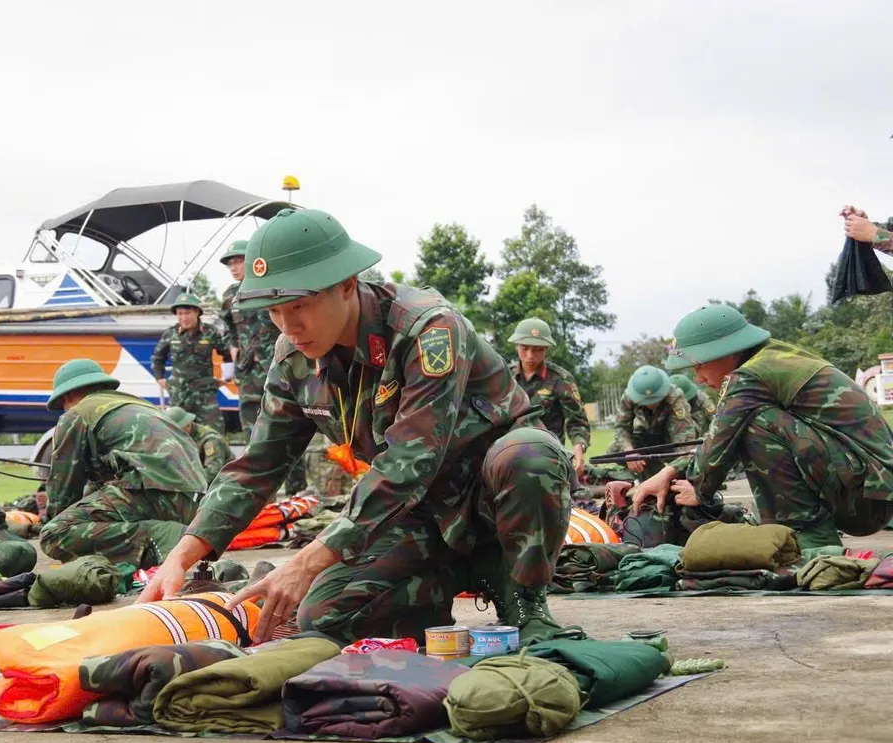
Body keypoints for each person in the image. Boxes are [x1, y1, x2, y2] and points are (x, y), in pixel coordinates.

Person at [139, 208, 576, 646]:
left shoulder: (426, 328)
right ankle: (448, 582)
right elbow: (258, 466)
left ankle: (524, 599)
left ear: (346, 285)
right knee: (321, 618)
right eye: (273, 311)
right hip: (416, 515)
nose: (289, 327)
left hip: (489, 500)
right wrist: (184, 551)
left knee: (529, 454)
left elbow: (410, 460)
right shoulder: (293, 358)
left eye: (299, 305)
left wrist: (309, 560)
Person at [633, 304, 893, 549]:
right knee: (751, 423)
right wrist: (671, 471)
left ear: (726, 350)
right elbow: (721, 437)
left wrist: (698, 487)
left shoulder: (750, 375)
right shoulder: (770, 358)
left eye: (699, 364)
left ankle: (809, 541)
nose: (698, 378)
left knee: (758, 424)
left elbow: (720, 442)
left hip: (867, 496)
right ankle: (797, 533)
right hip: (872, 490)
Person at [38, 359, 207, 569]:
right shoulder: (138, 405)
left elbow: (64, 490)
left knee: (54, 534)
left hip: (155, 494)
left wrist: (50, 518)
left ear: (68, 395)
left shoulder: (78, 413)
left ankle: (165, 538)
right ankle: (171, 537)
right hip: (196, 503)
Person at [221, 239, 309, 492]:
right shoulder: (230, 295)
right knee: (253, 437)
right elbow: (227, 324)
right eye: (230, 264)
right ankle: (259, 497)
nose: (234, 267)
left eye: (238, 261)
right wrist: (233, 346)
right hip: (248, 373)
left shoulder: (274, 286)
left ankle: (297, 492)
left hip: (279, 367)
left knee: (290, 430)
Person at [507, 317, 591, 474]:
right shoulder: (504, 377)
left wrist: (579, 448)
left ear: (546, 348)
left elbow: (577, 422)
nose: (530, 355)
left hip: (548, 458)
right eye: (524, 348)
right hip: (509, 456)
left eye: (537, 349)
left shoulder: (561, 379)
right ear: (516, 346)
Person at [151, 292, 233, 434]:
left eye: (187, 313)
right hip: (179, 393)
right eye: (180, 313)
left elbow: (226, 354)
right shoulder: (171, 334)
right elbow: (158, 357)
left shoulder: (210, 332)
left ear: (197, 312)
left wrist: (227, 377)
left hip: (205, 393)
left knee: (214, 431)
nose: (184, 318)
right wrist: (160, 378)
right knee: (178, 432)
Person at [607, 365, 698, 479]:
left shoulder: (674, 396)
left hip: (670, 439)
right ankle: (647, 474)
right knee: (614, 450)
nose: (650, 404)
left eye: (655, 400)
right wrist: (629, 452)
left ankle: (681, 476)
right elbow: (621, 427)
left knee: (689, 455)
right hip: (647, 438)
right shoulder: (629, 396)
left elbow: (684, 437)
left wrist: (675, 469)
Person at [164, 406, 230, 484]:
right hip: (196, 478)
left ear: (188, 425)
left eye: (177, 430)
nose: (173, 434)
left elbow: (212, 472)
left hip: (222, 482)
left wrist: (186, 484)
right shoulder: (178, 437)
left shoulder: (210, 439)